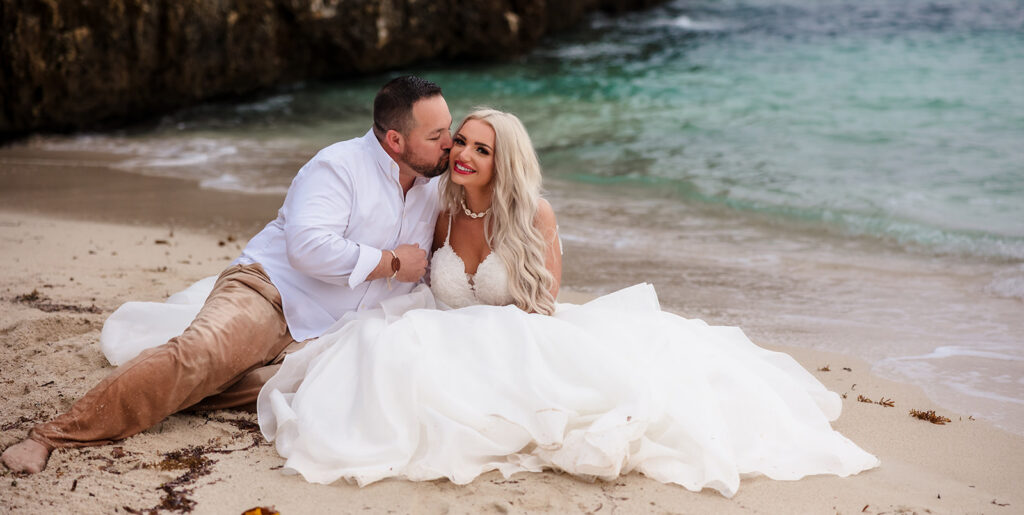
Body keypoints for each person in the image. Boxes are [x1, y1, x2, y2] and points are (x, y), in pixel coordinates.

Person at [255, 109, 880, 497]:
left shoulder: (533, 213)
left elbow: (544, 303)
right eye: (460, 143)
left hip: (521, 336)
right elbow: (416, 271)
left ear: (506, 161)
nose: (463, 156)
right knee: (376, 372)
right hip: (445, 331)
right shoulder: (442, 209)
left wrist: (492, 347)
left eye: (481, 149)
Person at [0, 75, 454, 474]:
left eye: (449, 129)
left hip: (330, 331)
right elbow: (308, 248)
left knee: (279, 391)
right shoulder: (337, 166)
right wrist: (391, 262)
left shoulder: (433, 183)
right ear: (395, 140)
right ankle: (52, 435)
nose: (450, 143)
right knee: (200, 356)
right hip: (271, 292)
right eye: (437, 135)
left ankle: (164, 390)